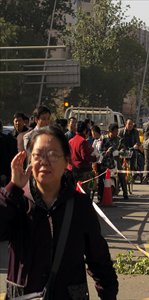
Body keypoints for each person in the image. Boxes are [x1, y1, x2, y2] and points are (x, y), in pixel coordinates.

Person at [0, 125, 118, 299]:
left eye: (53, 155)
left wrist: (108, 294)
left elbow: (99, 259)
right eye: (38, 155)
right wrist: (12, 189)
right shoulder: (16, 201)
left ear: (67, 161)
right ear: (29, 160)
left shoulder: (80, 205)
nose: (45, 161)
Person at [68, 121, 97, 194]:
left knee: (74, 192)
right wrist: (95, 158)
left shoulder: (71, 141)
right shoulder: (83, 141)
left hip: (72, 170)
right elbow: (85, 156)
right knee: (84, 193)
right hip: (82, 171)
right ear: (84, 131)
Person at [101, 123, 128, 199]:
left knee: (122, 175)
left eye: (117, 131)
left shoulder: (119, 139)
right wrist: (106, 152)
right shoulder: (104, 139)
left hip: (116, 160)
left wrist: (120, 151)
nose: (116, 133)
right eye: (115, 131)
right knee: (101, 176)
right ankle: (102, 194)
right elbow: (100, 150)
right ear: (110, 131)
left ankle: (125, 193)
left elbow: (123, 148)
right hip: (106, 161)